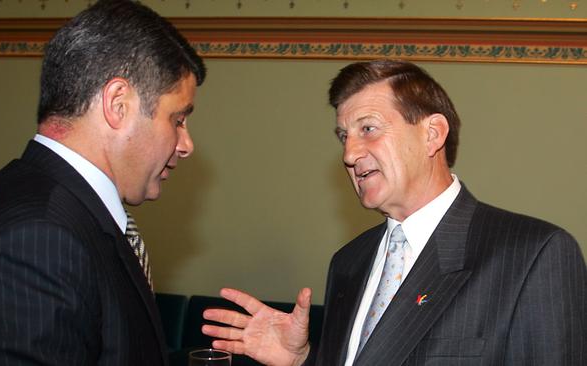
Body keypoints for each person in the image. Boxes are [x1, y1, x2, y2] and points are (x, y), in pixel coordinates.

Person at [201, 59, 586, 365]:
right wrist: (303, 359)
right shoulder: (349, 262)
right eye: (343, 136)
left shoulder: (534, 254)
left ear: (433, 134)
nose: (349, 154)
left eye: (368, 129)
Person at [0, 0, 206, 364]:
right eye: (178, 119)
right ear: (118, 104)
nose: (186, 145)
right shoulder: (36, 237)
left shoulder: (37, 203)